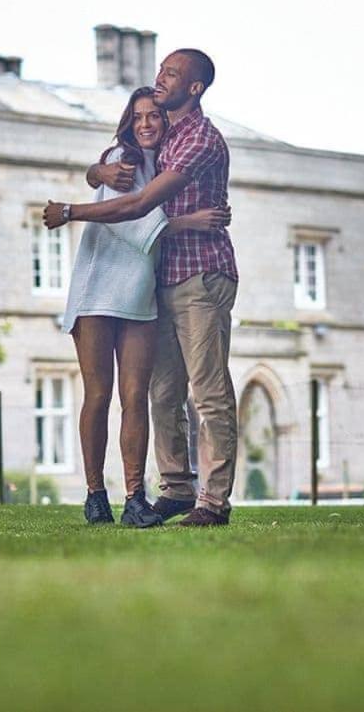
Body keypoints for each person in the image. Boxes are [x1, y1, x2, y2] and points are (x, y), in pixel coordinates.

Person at [45, 50, 239, 527]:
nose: (160, 80)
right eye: (160, 72)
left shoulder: (199, 139)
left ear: (194, 88)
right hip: (151, 283)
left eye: (171, 75)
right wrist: (98, 171)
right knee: (163, 392)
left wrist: (71, 211)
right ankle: (173, 488)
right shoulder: (155, 140)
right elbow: (117, 161)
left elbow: (140, 209)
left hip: (199, 274)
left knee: (208, 392)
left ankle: (212, 503)